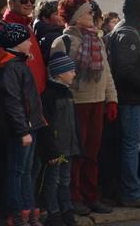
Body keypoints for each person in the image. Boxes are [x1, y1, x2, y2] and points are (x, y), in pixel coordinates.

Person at [51, 0, 117, 216]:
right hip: (75, 103)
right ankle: (74, 198)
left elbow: (106, 73)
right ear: (77, 16)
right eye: (88, 12)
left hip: (97, 102)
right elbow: (57, 77)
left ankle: (91, 197)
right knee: (76, 154)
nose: (93, 16)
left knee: (92, 153)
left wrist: (112, 99)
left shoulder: (97, 40)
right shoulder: (63, 41)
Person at [106, 0, 140, 209]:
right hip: (130, 99)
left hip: (134, 98)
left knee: (132, 145)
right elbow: (125, 70)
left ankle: (131, 190)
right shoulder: (127, 34)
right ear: (138, 11)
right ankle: (131, 192)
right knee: (131, 145)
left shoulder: (133, 31)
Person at [0, 23, 47, 226]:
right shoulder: (11, 68)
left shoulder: (18, 64)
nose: (30, 43)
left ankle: (29, 211)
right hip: (22, 129)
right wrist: (23, 130)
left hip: (29, 126)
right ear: (16, 43)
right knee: (18, 171)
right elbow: (13, 102)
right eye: (26, 40)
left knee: (26, 170)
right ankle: (18, 213)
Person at [39, 52, 80, 226]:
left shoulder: (68, 94)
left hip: (68, 148)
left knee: (65, 180)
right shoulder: (49, 95)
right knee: (54, 180)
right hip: (57, 150)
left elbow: (72, 124)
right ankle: (53, 213)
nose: (74, 73)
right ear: (59, 73)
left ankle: (66, 210)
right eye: (70, 70)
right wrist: (51, 150)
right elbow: (47, 126)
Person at [2, 0, 46, 95]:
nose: (29, 4)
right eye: (24, 1)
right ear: (11, 3)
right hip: (22, 94)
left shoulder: (27, 25)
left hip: (36, 92)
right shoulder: (6, 28)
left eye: (32, 0)